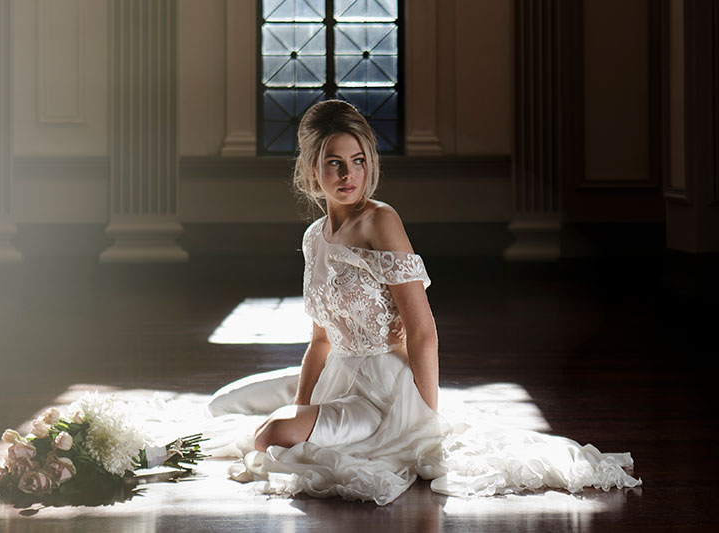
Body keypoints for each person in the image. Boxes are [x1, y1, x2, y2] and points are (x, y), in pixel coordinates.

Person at [206, 100, 641, 506]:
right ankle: (301, 417)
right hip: (338, 374)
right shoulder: (313, 238)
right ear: (311, 169)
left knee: (275, 434)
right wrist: (305, 403)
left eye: (358, 161)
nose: (347, 175)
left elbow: (423, 331)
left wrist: (424, 419)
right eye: (333, 163)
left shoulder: (381, 220)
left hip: (383, 394)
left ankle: (361, 426)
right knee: (239, 414)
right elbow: (320, 340)